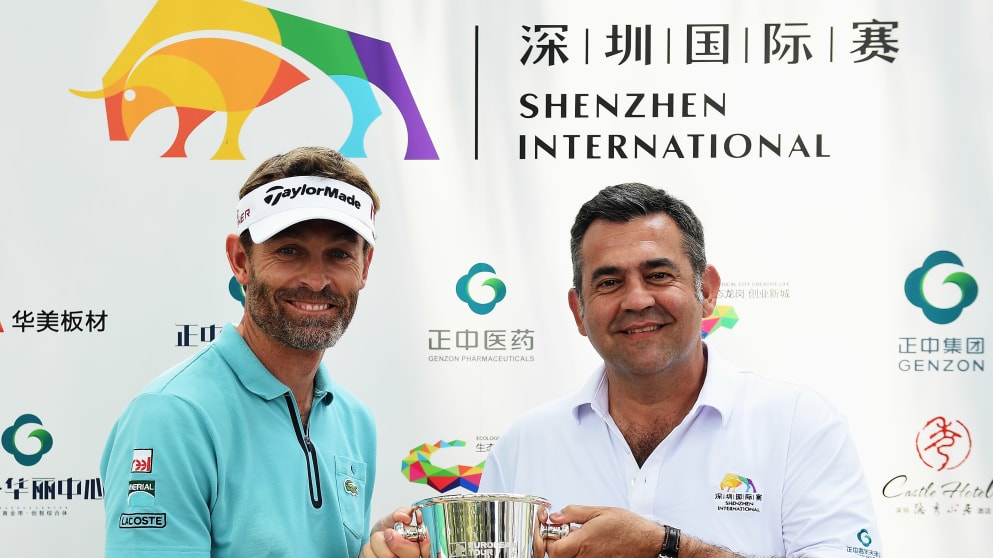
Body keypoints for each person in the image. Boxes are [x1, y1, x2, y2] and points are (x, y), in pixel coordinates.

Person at [477, 183, 883, 557]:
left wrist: (664, 546)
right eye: (609, 283)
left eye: (658, 275)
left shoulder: (798, 425)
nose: (636, 300)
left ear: (705, 292)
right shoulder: (522, 446)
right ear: (578, 312)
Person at [101, 146, 404, 557]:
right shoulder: (171, 416)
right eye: (289, 250)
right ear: (241, 260)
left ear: (365, 267)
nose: (316, 281)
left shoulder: (354, 420)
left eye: (338, 255)